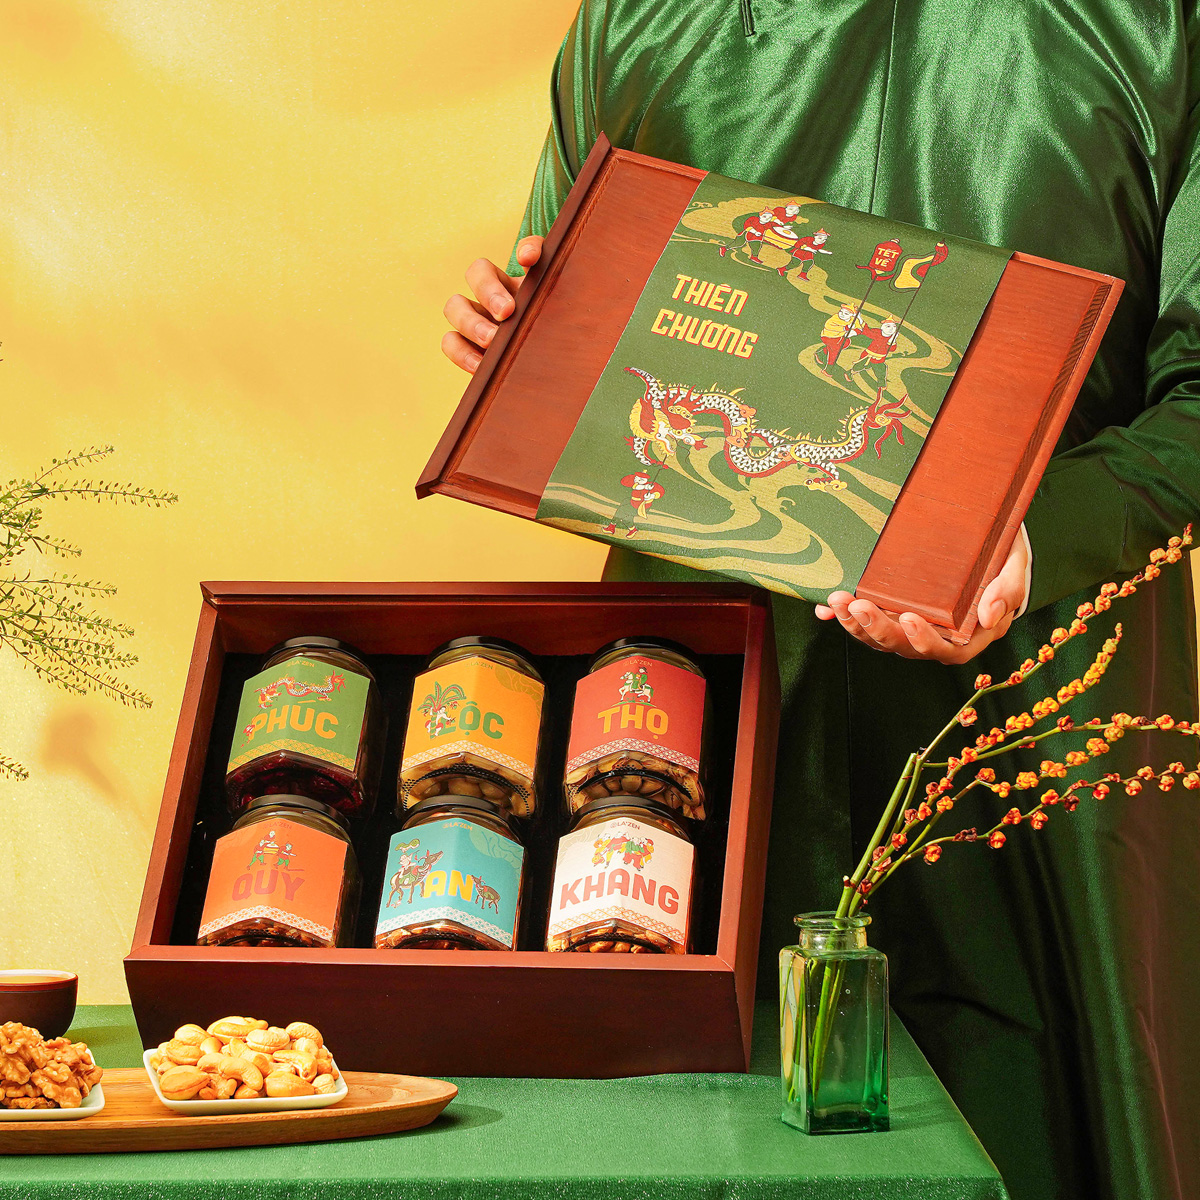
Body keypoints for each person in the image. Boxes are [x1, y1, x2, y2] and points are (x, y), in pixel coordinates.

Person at [440, 4, 1200, 1198]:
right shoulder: (635, 17)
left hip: (1030, 730)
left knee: (1038, 1131)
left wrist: (1035, 539)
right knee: (681, 1139)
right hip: (699, 728)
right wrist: (523, 332)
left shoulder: (1161, 25)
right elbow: (590, 324)